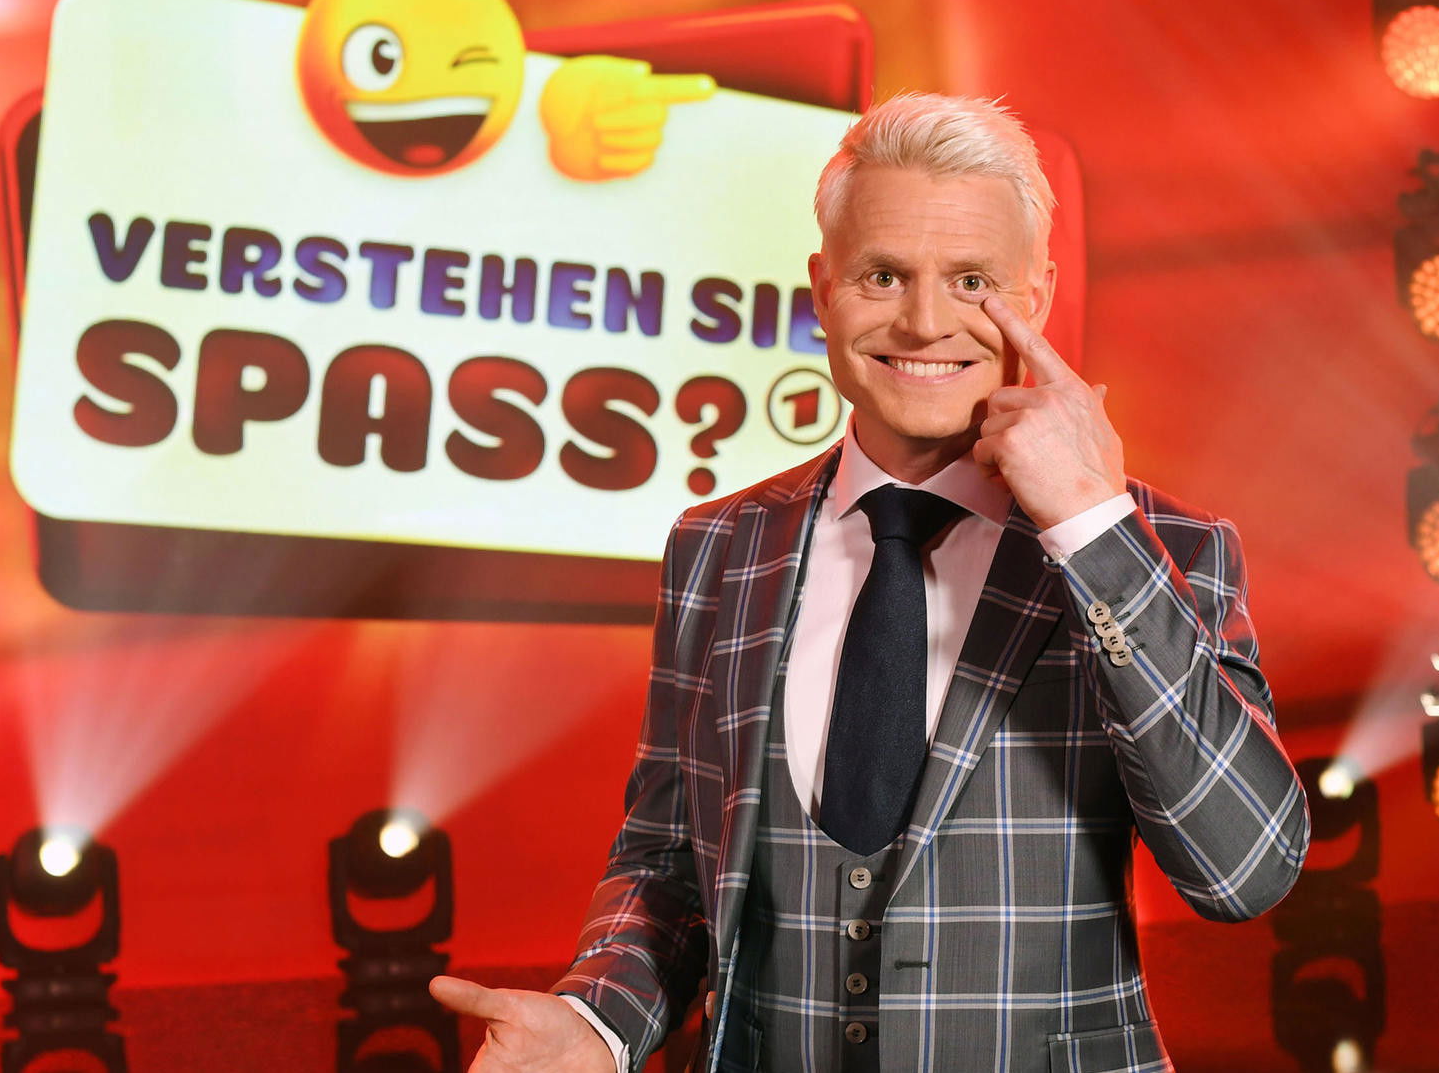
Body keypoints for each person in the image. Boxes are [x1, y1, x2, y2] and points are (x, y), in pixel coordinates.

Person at [429, 93, 1310, 1072]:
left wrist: (1091, 529)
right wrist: (599, 1022)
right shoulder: (716, 547)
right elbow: (669, 860)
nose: (925, 323)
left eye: (972, 281)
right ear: (822, 287)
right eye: (883, 275)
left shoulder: (1168, 548)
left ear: (1037, 296)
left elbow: (1243, 868)